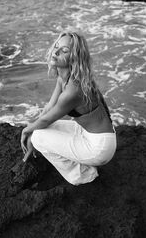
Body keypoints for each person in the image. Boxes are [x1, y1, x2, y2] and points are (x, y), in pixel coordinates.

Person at [21, 31, 117, 186]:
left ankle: (84, 175)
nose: (56, 52)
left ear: (74, 58)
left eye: (64, 51)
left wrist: (27, 131)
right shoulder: (64, 78)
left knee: (38, 137)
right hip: (91, 133)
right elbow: (48, 110)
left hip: (99, 146)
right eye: (56, 46)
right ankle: (83, 161)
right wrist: (32, 128)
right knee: (40, 130)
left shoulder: (73, 90)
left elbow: (46, 119)